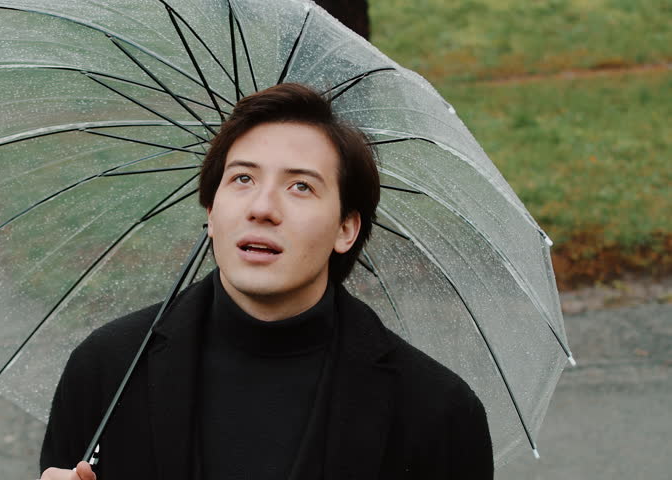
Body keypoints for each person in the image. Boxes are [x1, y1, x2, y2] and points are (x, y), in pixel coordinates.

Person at [39, 83, 493, 480]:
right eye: (242, 178)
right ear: (212, 212)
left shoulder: (436, 411)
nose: (262, 207)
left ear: (346, 228)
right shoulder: (107, 369)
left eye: (301, 187)